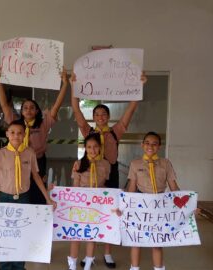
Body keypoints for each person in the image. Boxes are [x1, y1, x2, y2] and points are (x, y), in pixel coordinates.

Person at [70, 71, 146, 268]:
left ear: (109, 116)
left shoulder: (115, 131)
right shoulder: (89, 132)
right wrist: (73, 87)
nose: (100, 117)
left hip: (109, 174)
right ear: (93, 117)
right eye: (97, 114)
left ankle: (107, 252)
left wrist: (139, 87)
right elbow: (76, 111)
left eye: (104, 114)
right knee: (89, 213)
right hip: (89, 175)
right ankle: (88, 255)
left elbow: (131, 109)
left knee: (109, 213)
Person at [0, 119, 57, 270]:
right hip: (5, 199)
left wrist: (47, 198)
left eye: (19, 133)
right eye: (12, 132)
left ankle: (19, 266)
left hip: (23, 199)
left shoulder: (29, 153)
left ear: (25, 135)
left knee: (21, 235)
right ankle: (4, 266)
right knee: (4, 236)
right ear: (7, 134)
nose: (16, 136)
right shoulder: (0, 154)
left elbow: (36, 177)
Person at [0, 67, 68, 204]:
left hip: (38, 161)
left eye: (32, 107)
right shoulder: (15, 124)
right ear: (21, 111)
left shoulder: (43, 123)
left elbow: (56, 106)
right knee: (21, 188)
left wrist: (65, 84)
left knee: (38, 191)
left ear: (36, 111)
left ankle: (38, 216)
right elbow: (4, 104)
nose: (28, 110)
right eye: (25, 107)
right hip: (17, 159)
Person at [126, 131, 180, 270]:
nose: (151, 146)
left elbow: (173, 186)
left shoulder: (165, 164)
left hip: (160, 205)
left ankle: (158, 268)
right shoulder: (135, 164)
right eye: (147, 143)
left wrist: (186, 205)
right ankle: (134, 268)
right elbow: (132, 187)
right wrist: (125, 206)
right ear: (142, 145)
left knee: (157, 241)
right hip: (140, 204)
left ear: (159, 146)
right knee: (136, 240)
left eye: (155, 144)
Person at [68, 133, 111, 270]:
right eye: (89, 147)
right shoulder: (79, 164)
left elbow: (104, 185)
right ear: (85, 148)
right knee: (77, 235)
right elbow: (75, 186)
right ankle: (73, 264)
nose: (92, 150)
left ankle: (87, 265)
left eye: (95, 147)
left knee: (92, 234)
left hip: (97, 204)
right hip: (81, 203)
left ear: (100, 148)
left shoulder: (105, 164)